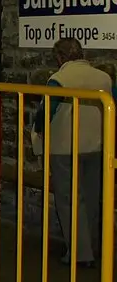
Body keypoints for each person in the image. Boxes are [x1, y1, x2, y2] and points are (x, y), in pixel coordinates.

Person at [32, 37, 115, 269]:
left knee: (69, 200)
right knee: (91, 197)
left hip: (64, 147)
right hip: (96, 145)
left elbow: (46, 112)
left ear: (59, 57)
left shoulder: (59, 79)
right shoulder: (104, 78)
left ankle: (79, 253)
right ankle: (93, 247)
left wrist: (38, 133)